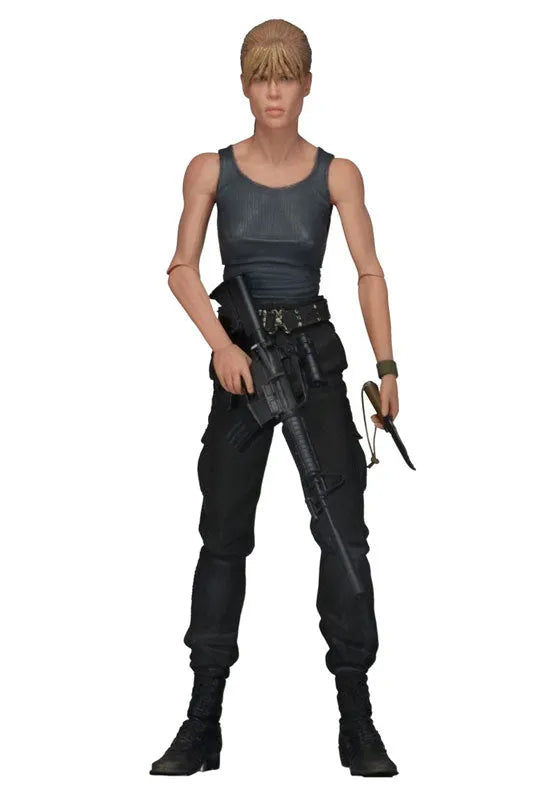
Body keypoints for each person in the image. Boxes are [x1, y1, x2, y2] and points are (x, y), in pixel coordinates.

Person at [150, 18, 400, 778]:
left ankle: (356, 717)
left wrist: (387, 367)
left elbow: (367, 271)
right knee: (223, 534)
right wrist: (221, 347)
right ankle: (202, 721)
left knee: (344, 535)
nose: (273, 92)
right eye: (261, 76)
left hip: (314, 363)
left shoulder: (337, 174)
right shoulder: (210, 169)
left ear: (307, 83)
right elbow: (181, 268)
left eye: (285, 76)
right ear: (243, 84)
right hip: (243, 364)